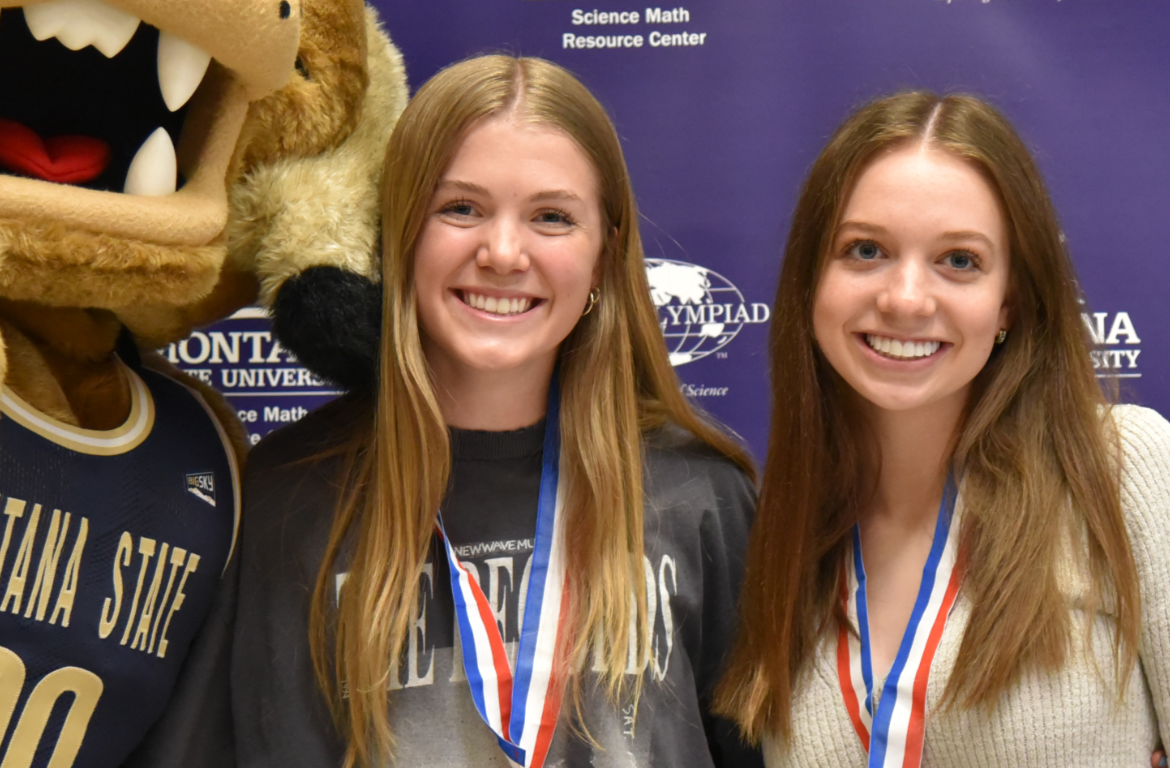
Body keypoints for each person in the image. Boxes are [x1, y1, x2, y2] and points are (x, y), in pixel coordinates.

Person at [229, 55, 760, 767]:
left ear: (603, 258)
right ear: (399, 235)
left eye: (551, 217)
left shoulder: (701, 495)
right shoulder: (287, 496)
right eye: (461, 209)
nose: (504, 252)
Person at [714, 90, 1170, 767]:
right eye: (865, 250)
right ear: (812, 279)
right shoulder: (789, 536)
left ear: (1010, 299)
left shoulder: (1121, 466)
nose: (905, 298)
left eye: (959, 260)